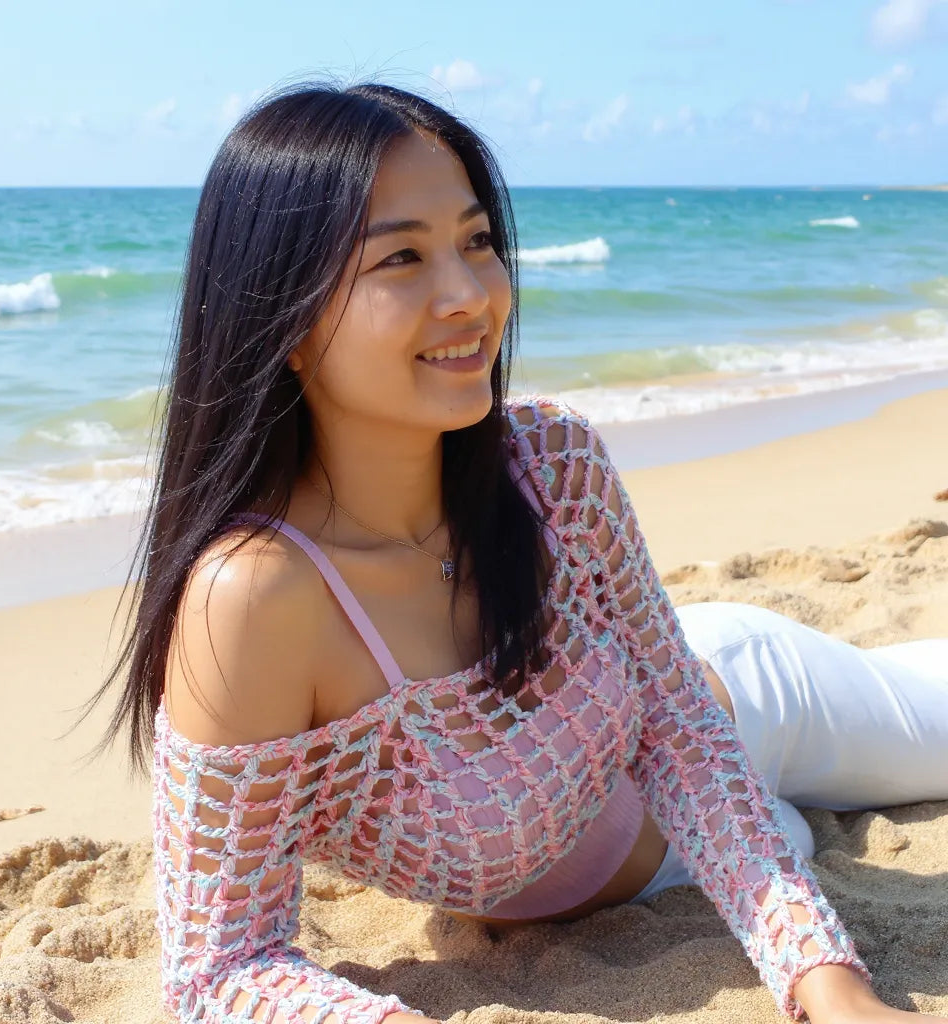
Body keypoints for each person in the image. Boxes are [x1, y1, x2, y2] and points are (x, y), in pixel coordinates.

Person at [85, 80, 948, 1024]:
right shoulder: (252, 601)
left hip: (750, 712)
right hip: (677, 875)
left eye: (478, 241)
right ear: (282, 319)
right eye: (403, 258)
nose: (469, 296)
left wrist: (834, 988)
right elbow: (222, 968)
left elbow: (683, 732)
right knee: (800, 843)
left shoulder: (550, 464)